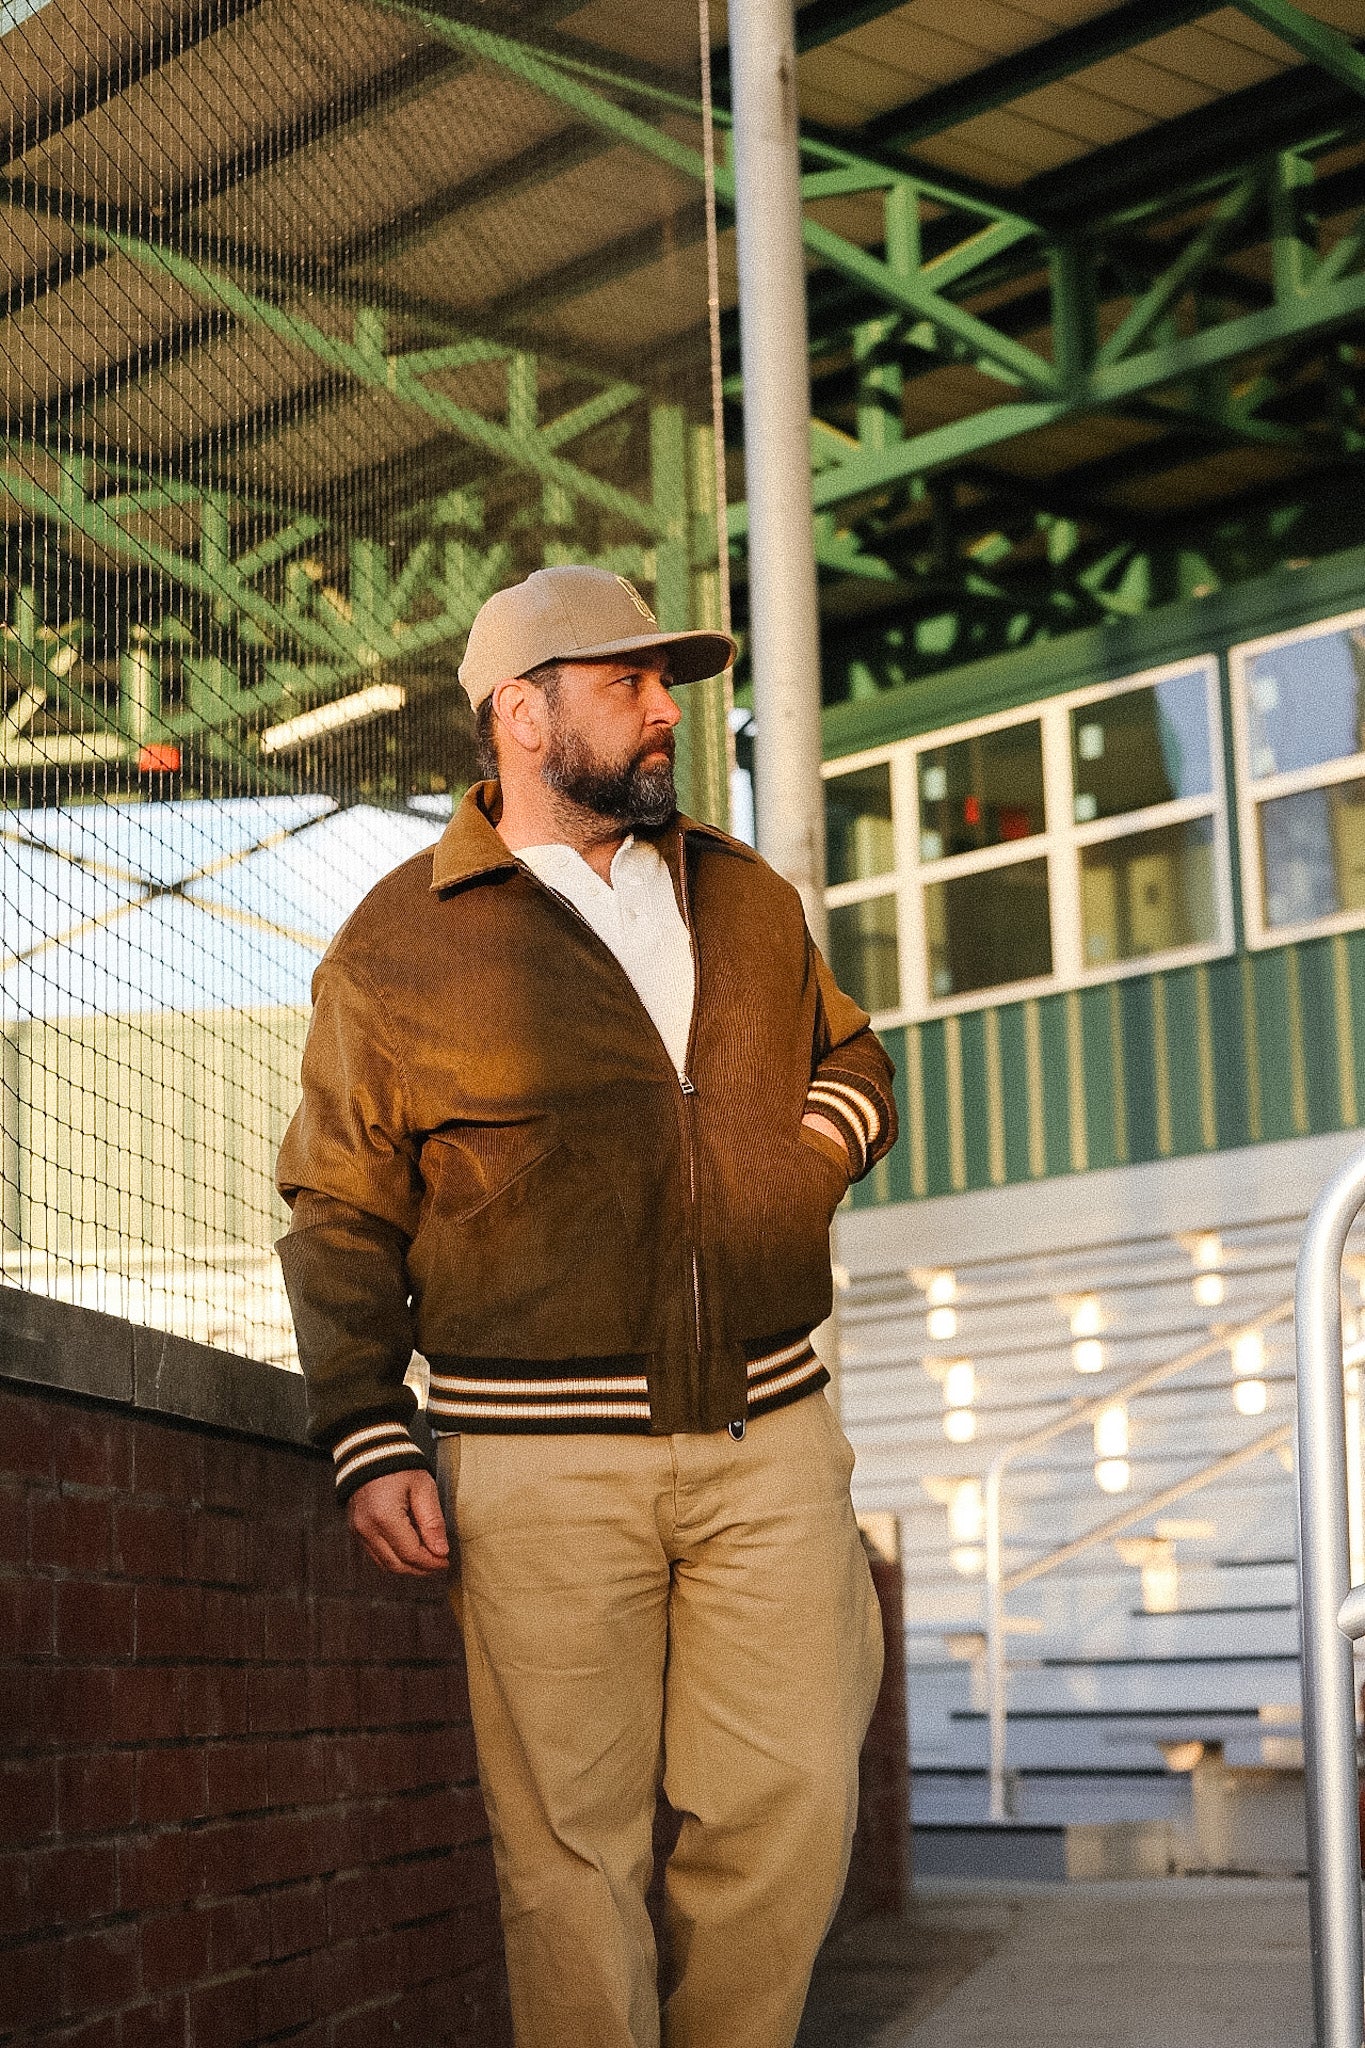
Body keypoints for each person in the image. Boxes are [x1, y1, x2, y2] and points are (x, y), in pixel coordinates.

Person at [276, 564, 899, 2048]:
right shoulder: (397, 944)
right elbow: (340, 1207)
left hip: (769, 1436)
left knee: (795, 1800)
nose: (665, 709)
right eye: (628, 682)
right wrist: (366, 1429)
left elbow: (854, 1062)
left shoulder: (742, 894)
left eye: (665, 682)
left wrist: (798, 1166)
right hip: (535, 1465)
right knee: (570, 1854)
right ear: (521, 712)